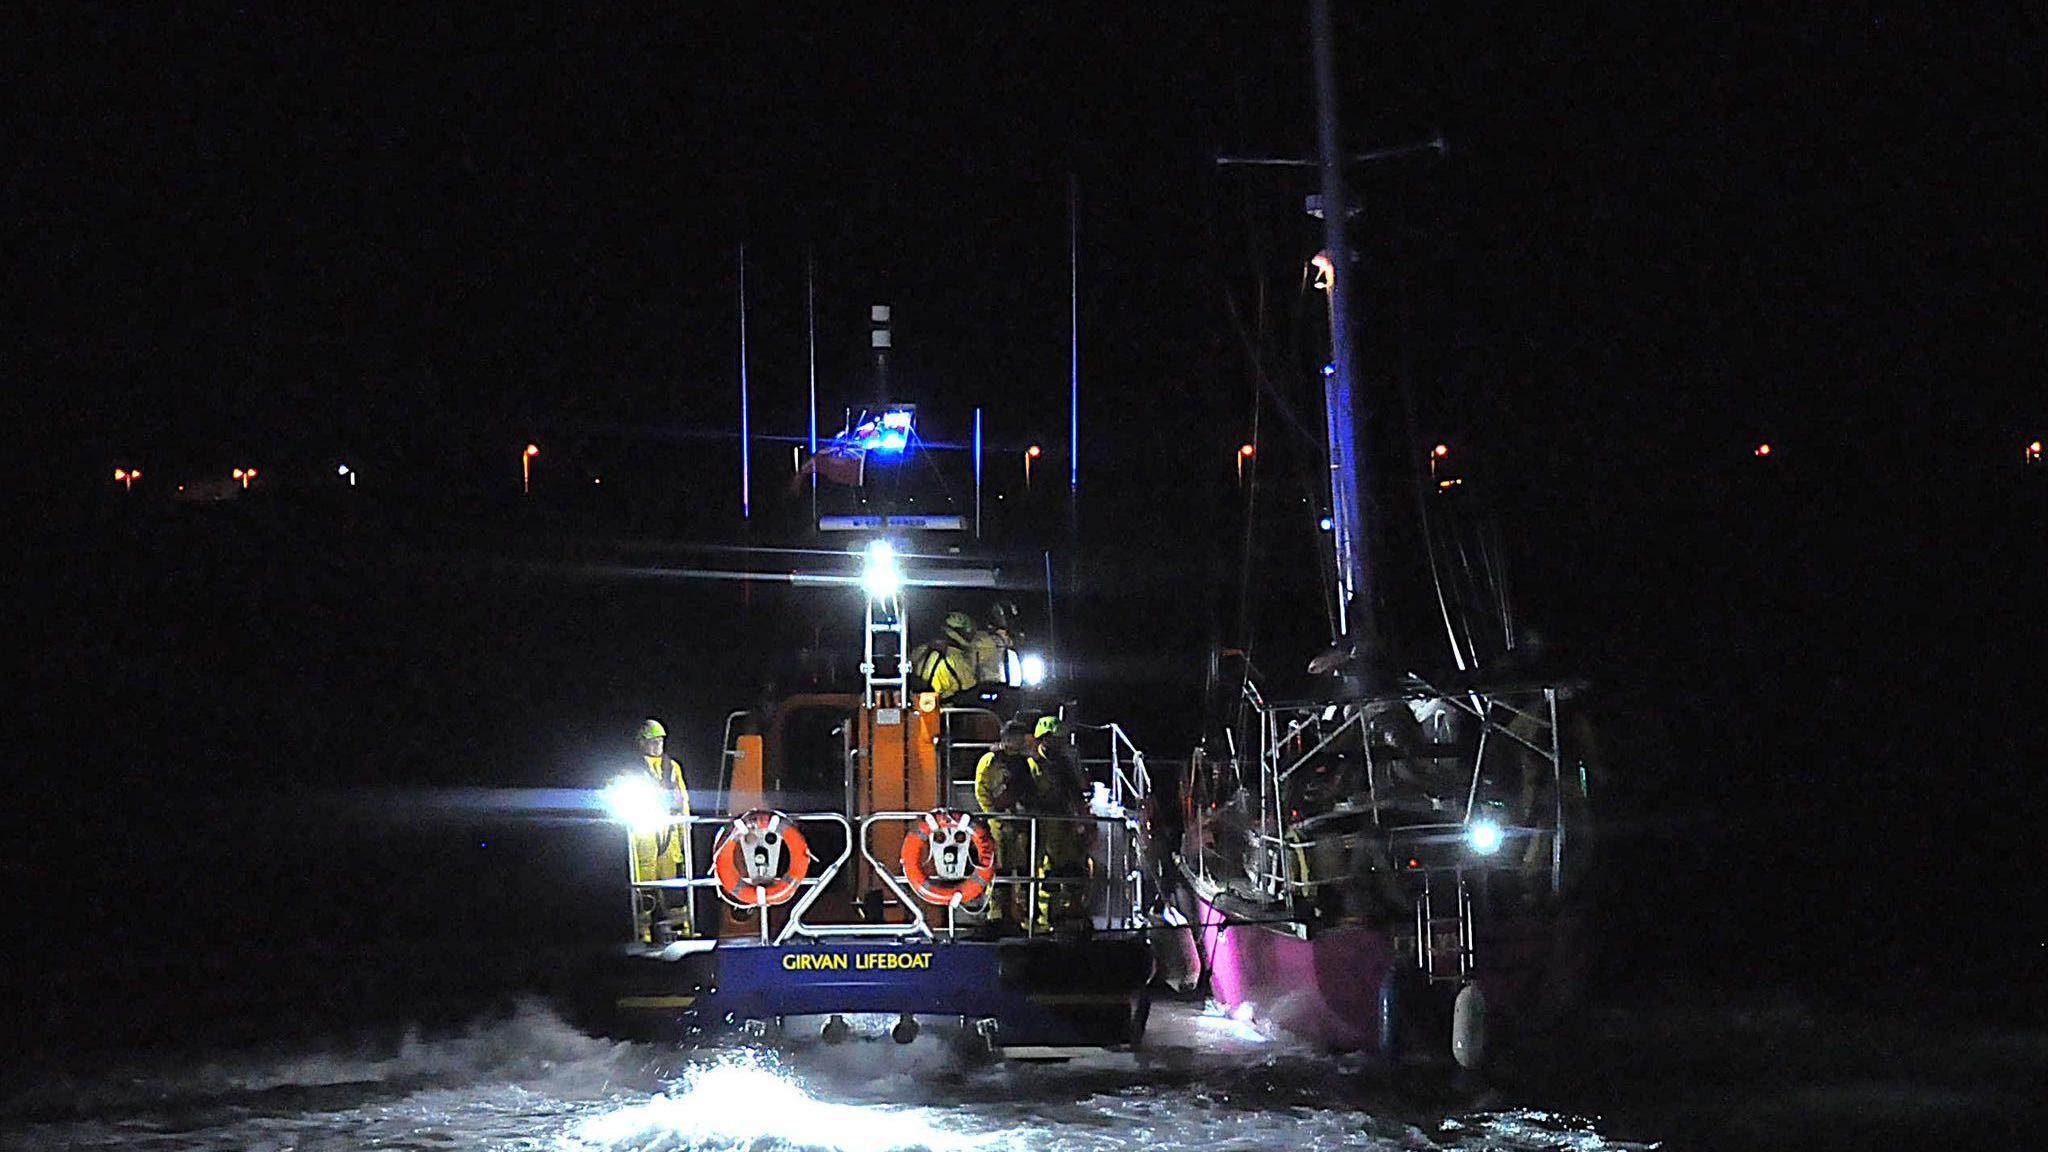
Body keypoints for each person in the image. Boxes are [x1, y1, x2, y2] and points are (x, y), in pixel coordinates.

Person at [1027, 716, 1094, 933]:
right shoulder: (1032, 765)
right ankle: (1044, 921)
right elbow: (1030, 797)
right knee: (1048, 875)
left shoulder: (1063, 764)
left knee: (1073, 870)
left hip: (1066, 823)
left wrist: (1082, 819)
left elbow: (1075, 791)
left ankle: (1069, 916)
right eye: (1057, 738)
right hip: (1044, 826)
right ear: (1044, 739)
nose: (1061, 742)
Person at [631, 718, 695, 942]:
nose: (657, 744)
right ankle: (644, 930)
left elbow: (683, 798)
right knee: (645, 881)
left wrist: (684, 825)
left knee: (672, 882)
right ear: (642, 743)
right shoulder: (632, 769)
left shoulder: (672, 767)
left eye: (660, 740)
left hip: (669, 830)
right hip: (644, 832)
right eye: (652, 740)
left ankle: (680, 927)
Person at [973, 719, 1037, 927]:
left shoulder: (1023, 763)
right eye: (1013, 737)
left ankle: (1021, 914)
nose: (1017, 741)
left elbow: (1029, 789)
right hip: (997, 822)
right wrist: (993, 813)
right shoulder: (990, 760)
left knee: (1022, 868)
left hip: (1019, 822)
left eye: (1019, 737)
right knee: (999, 867)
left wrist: (1023, 810)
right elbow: (981, 789)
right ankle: (997, 914)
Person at [909, 611, 979, 699]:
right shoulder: (957, 659)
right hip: (946, 708)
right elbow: (970, 689)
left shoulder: (921, 650)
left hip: (919, 703)